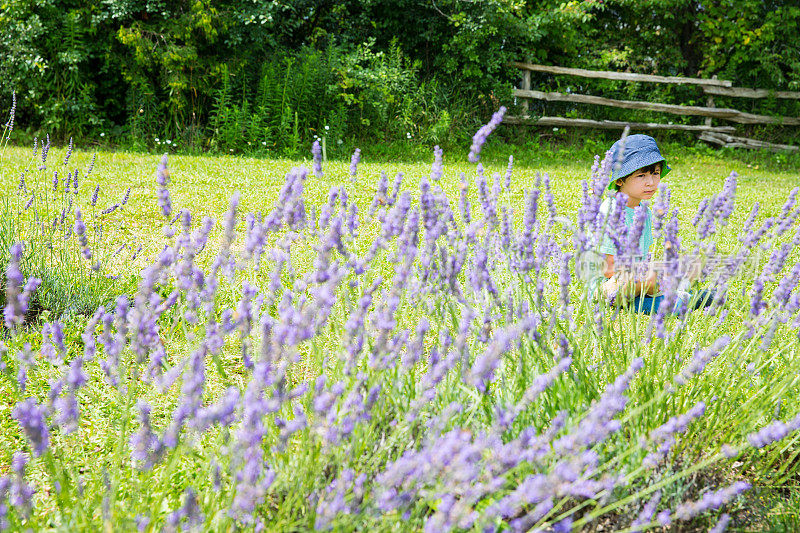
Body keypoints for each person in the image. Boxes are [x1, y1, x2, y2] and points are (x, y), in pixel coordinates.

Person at [593, 134, 714, 315]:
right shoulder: (610, 212)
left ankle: (674, 293)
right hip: (610, 286)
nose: (651, 182)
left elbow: (644, 257)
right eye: (641, 175)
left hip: (637, 280)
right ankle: (681, 299)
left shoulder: (644, 211)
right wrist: (648, 278)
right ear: (620, 180)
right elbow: (607, 268)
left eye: (655, 173)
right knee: (655, 285)